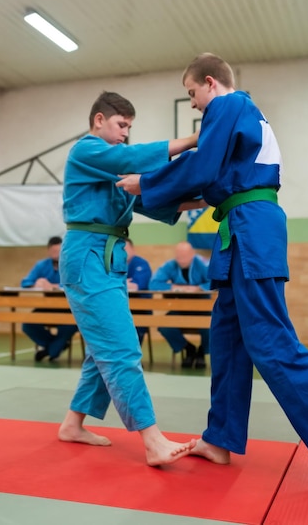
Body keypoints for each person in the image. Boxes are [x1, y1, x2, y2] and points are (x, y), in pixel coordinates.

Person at [116, 53, 308, 493]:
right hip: (237, 230)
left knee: (269, 340)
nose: (194, 104)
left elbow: (201, 169)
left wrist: (146, 183)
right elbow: (207, 187)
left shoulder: (230, 105)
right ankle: (221, 437)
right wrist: (143, 198)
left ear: (211, 83)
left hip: (253, 228)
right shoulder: (238, 123)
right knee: (228, 339)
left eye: (192, 94)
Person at [58, 90, 201, 466]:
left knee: (101, 350)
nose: (125, 133)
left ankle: (72, 424)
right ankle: (152, 440)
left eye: (129, 127)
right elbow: (130, 157)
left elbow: (152, 200)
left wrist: (206, 200)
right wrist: (192, 140)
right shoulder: (86, 150)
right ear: (99, 120)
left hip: (108, 259)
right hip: (88, 256)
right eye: (122, 125)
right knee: (122, 349)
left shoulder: (114, 173)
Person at [149, 241, 211, 369]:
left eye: (185, 257)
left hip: (203, 308)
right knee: (165, 326)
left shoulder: (203, 263)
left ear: (192, 254)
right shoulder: (170, 265)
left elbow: (216, 281)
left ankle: (201, 353)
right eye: (179, 257)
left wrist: (198, 288)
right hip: (180, 307)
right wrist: (173, 287)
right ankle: (188, 348)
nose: (181, 261)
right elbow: (153, 283)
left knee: (210, 327)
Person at [20, 236, 78, 362]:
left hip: (69, 308)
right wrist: (37, 284)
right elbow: (25, 282)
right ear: (48, 251)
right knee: (28, 324)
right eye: (53, 252)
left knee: (68, 327)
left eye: (58, 251)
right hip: (48, 306)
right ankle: (54, 346)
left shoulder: (71, 265)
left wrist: (53, 286)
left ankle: (49, 350)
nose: (56, 255)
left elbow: (75, 284)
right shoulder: (41, 265)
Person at [124, 237, 152, 346]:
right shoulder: (113, 265)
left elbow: (137, 286)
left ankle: (134, 360)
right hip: (121, 307)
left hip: (140, 309)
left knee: (137, 327)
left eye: (125, 248)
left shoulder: (141, 264)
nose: (123, 252)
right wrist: (125, 282)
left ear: (133, 249)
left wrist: (119, 283)